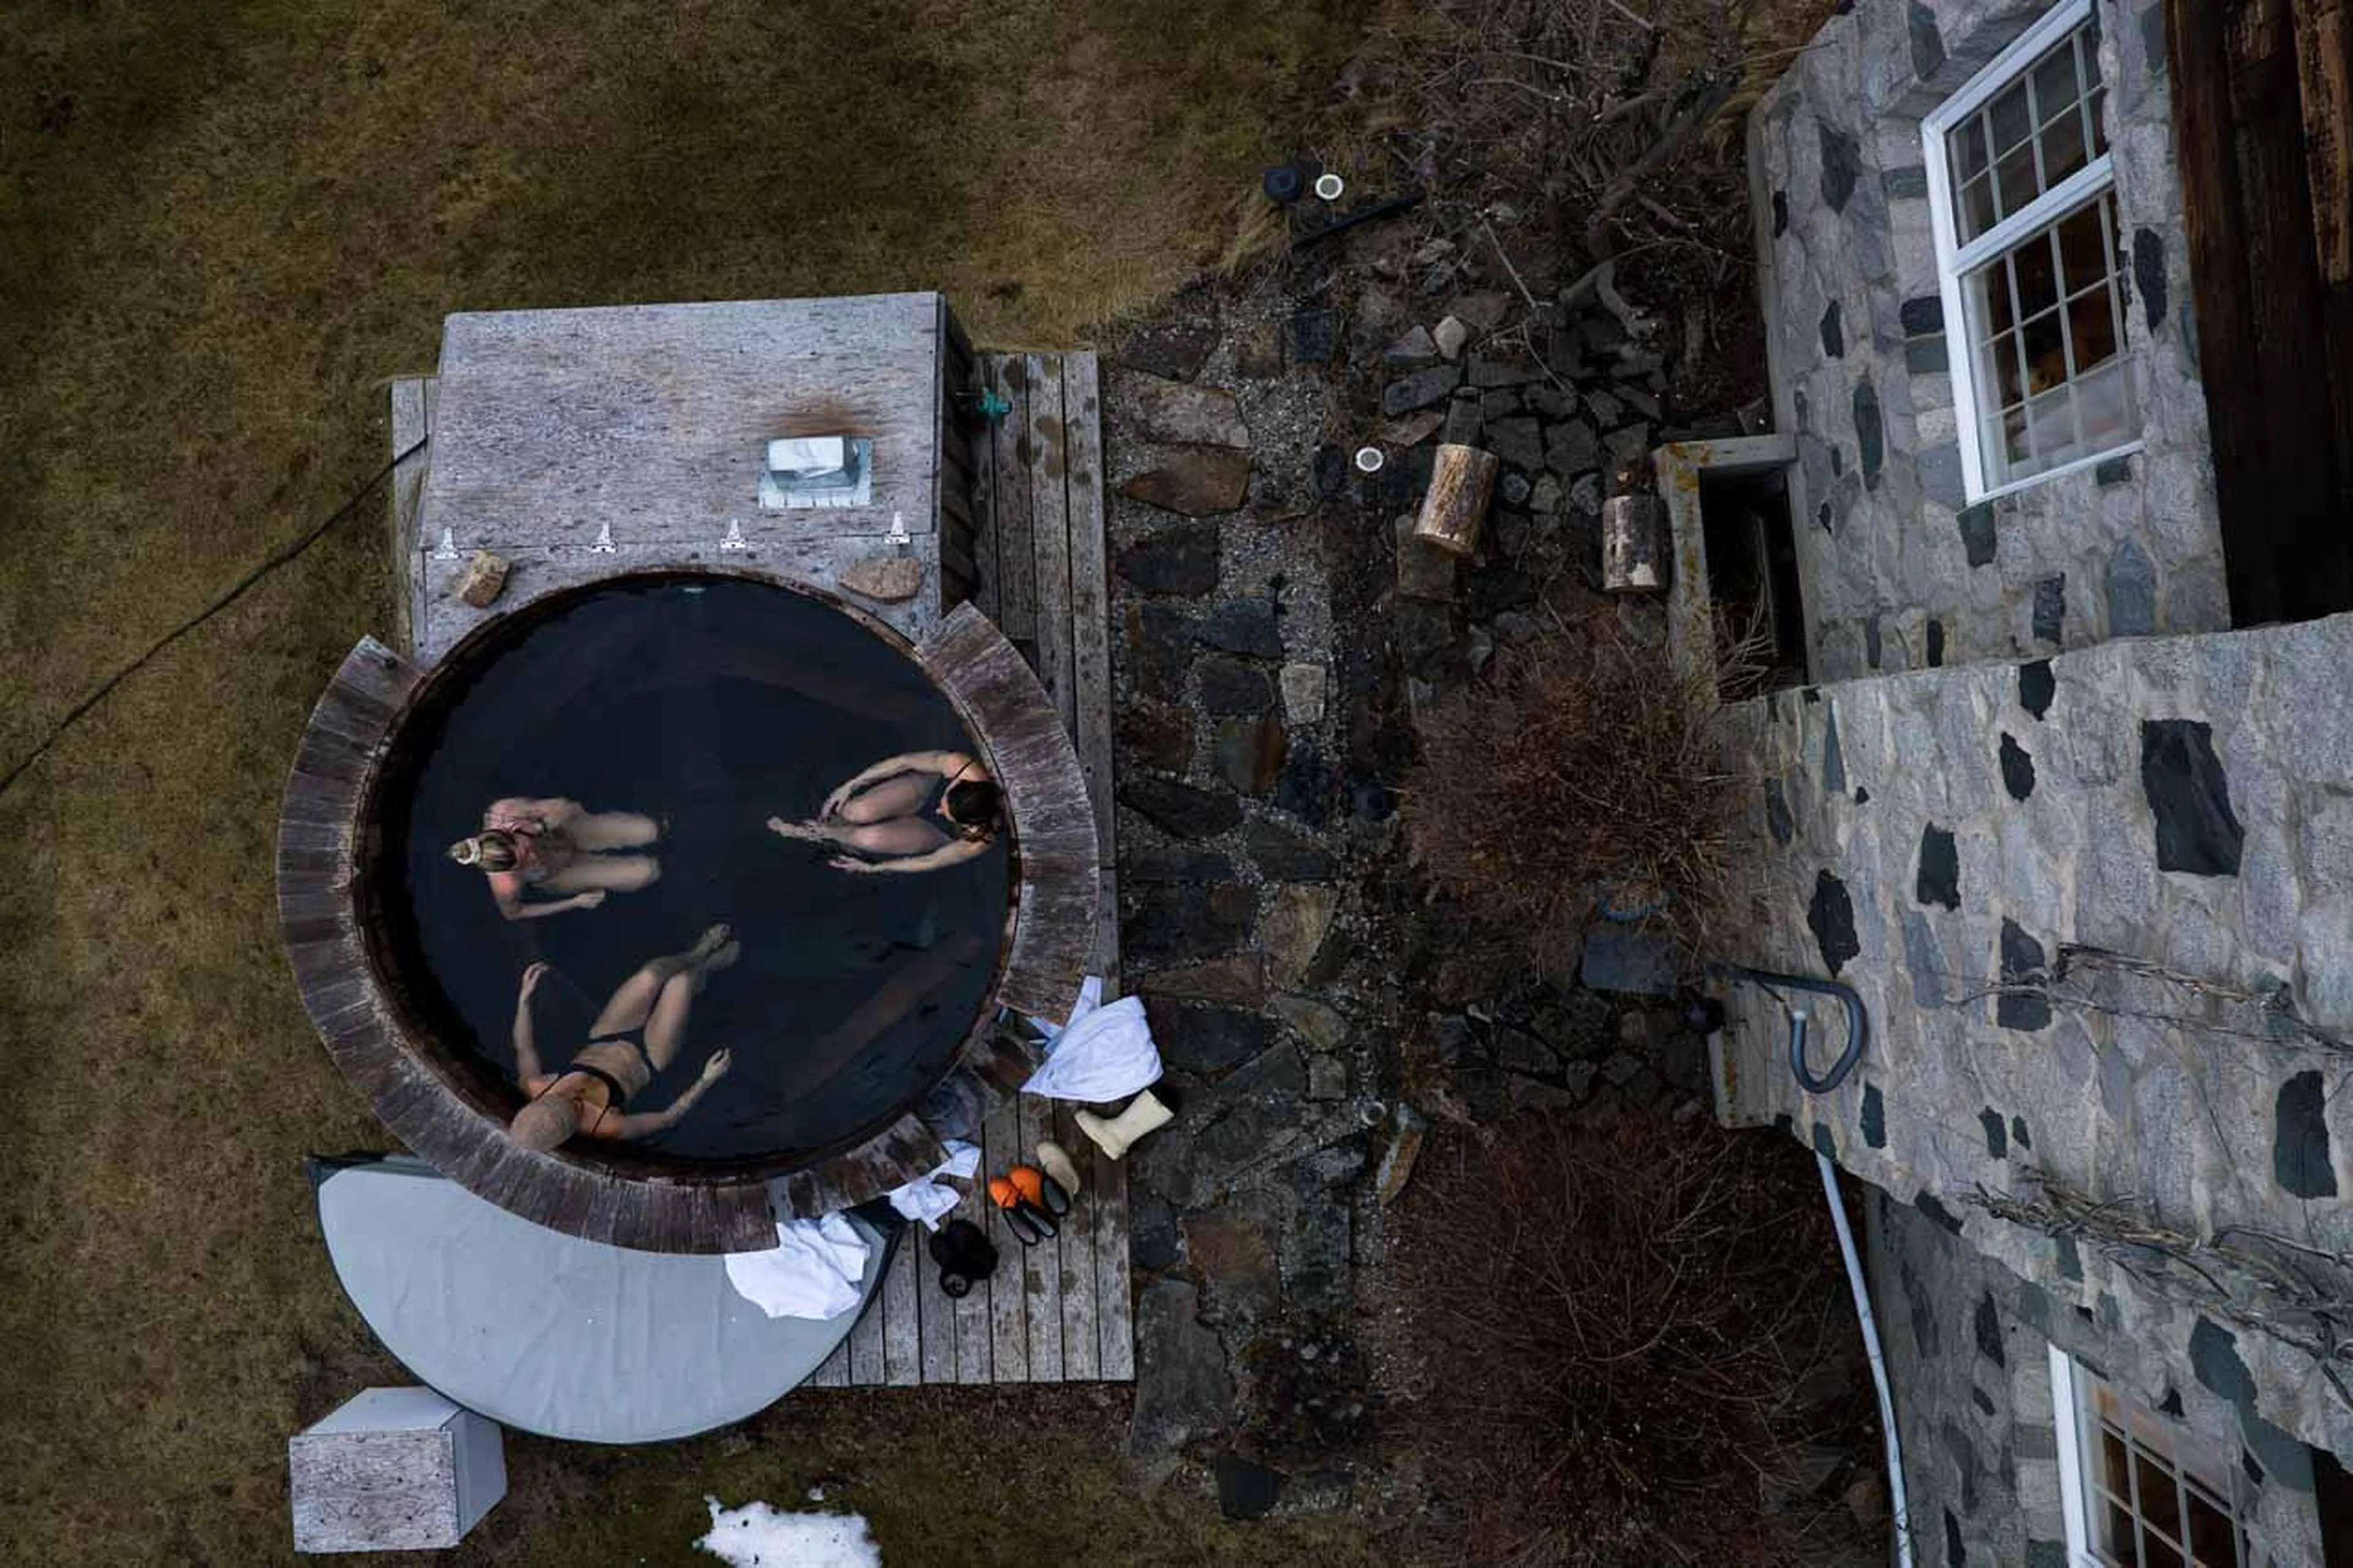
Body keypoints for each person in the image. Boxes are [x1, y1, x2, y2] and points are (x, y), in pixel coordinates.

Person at [505, 924, 741, 1149]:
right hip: (650, 1056)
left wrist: (524, 1000)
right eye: (575, 1109)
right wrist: (707, 1079)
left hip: (605, 1036)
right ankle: (708, 968)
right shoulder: (608, 1126)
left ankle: (697, 954)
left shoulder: (534, 1085)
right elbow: (669, 1118)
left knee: (651, 974)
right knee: (682, 982)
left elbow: (524, 1047)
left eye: (563, 1097)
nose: (574, 1099)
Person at [767, 749, 1002, 875]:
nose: (939, 810)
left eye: (949, 815)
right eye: (945, 802)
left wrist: (874, 868)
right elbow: (903, 762)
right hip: (925, 789)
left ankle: (826, 835)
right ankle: (832, 824)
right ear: (960, 783)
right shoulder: (960, 766)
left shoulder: (979, 840)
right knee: (858, 810)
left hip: (934, 833)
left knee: (868, 837)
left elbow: (929, 862)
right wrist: (851, 785)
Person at [447, 796, 661, 920]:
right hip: (560, 872)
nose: (532, 858)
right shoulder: (504, 884)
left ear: (512, 831)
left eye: (526, 851)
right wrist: (575, 903)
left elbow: (570, 807)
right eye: (523, 863)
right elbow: (513, 913)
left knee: (649, 830)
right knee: (645, 872)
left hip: (564, 832)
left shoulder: (507, 812)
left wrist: (542, 826)